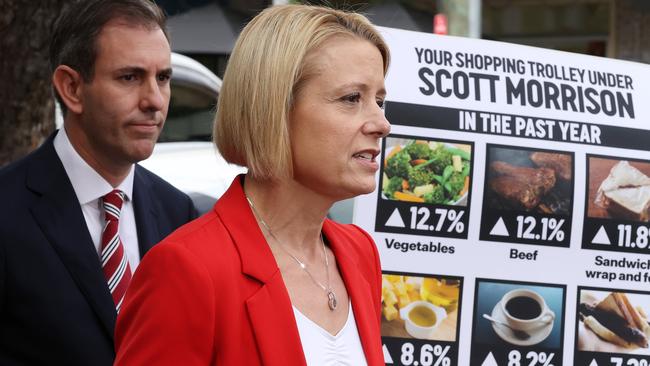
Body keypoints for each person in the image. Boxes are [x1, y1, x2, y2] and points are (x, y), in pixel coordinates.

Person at [114, 4, 391, 366]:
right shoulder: (188, 269)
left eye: (380, 101)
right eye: (351, 98)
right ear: (274, 107)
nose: (381, 123)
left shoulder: (359, 252)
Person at [0, 1, 197, 365]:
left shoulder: (178, 212)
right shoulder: (7, 211)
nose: (155, 100)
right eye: (129, 77)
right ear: (72, 88)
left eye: (164, 78)